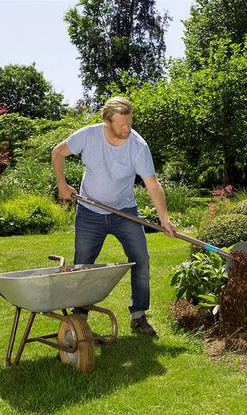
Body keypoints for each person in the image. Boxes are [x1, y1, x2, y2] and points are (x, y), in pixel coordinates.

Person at [51, 96, 176, 337]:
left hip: (124, 212)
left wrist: (164, 218)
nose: (127, 128)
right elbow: (58, 152)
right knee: (83, 265)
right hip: (90, 212)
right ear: (107, 122)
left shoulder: (138, 145)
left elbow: (152, 184)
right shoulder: (88, 136)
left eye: (129, 123)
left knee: (141, 259)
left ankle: (138, 317)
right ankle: (79, 319)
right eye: (122, 124)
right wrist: (62, 185)